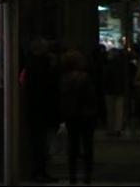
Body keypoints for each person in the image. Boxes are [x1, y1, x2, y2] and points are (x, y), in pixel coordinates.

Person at [23, 39, 61, 182]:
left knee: (39, 142)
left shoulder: (32, 64)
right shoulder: (41, 66)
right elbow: (47, 87)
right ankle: (38, 171)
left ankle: (38, 171)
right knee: (39, 143)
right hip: (41, 109)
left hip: (37, 109)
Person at [59, 49, 99, 186]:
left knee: (73, 146)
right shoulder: (85, 78)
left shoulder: (63, 79)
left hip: (71, 115)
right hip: (86, 114)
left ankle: (72, 177)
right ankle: (87, 176)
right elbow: (91, 97)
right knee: (87, 145)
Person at [103, 48, 133, 137]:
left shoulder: (108, 65)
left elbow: (105, 79)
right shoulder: (123, 65)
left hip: (110, 90)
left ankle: (111, 129)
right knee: (119, 111)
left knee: (110, 111)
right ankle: (117, 129)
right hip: (120, 90)